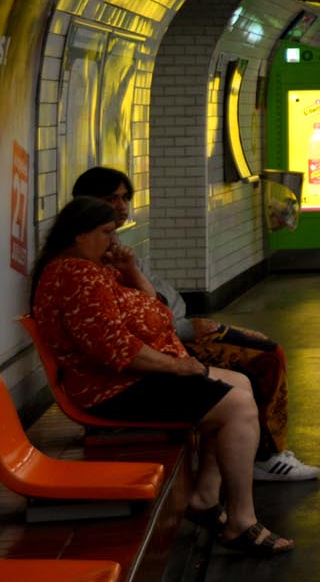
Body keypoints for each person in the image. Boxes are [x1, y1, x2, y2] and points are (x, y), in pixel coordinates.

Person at [29, 197, 294, 555]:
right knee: (237, 407)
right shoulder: (76, 277)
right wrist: (178, 366)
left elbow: (153, 307)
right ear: (79, 234)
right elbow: (116, 349)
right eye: (107, 232)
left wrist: (130, 270)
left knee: (240, 383)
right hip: (115, 387)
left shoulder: (92, 268)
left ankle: (205, 496)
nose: (113, 242)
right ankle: (242, 521)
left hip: (133, 375)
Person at [70, 167, 320, 484]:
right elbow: (135, 326)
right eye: (110, 199)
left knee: (266, 349)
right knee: (265, 358)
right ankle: (265, 456)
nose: (121, 207)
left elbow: (157, 301)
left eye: (125, 198)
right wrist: (183, 333)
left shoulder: (114, 251)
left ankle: (247, 461)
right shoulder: (85, 269)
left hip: (174, 333)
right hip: (164, 348)